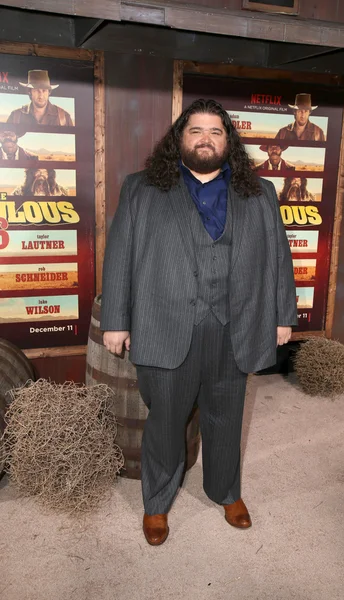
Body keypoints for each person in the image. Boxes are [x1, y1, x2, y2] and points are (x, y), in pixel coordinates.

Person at [100, 98, 297, 546]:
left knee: (226, 416)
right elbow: (120, 257)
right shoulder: (142, 188)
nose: (205, 139)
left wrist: (283, 315)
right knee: (166, 420)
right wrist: (116, 320)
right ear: (180, 138)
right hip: (165, 324)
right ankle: (156, 503)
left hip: (236, 326)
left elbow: (278, 259)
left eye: (215, 132)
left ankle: (225, 492)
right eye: (196, 131)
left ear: (229, 140)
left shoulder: (259, 192)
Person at [7, 70, 74, 127]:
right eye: (36, 90)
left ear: (49, 92)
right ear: (30, 92)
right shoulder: (16, 116)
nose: (41, 95)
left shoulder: (64, 117)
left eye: (44, 90)